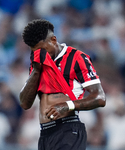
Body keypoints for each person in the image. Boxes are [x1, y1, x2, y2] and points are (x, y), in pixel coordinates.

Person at [19, 19, 106, 150]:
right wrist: (36, 70)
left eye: (42, 50)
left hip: (68, 129)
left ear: (53, 40)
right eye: (35, 51)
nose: (40, 54)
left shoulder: (77, 57)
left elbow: (100, 98)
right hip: (45, 134)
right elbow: (25, 103)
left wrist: (67, 106)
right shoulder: (37, 61)